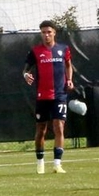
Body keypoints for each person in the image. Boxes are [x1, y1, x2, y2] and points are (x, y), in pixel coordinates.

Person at [23, 20, 74, 174]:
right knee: (41, 130)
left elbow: (68, 65)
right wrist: (26, 75)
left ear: (54, 33)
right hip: (42, 96)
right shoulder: (35, 51)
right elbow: (26, 69)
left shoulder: (63, 49)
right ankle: (40, 163)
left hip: (59, 95)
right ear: (41, 34)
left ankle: (57, 164)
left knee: (59, 127)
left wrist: (69, 79)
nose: (46, 35)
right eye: (43, 32)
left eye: (49, 32)